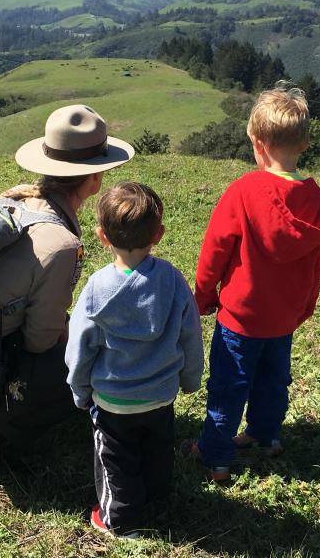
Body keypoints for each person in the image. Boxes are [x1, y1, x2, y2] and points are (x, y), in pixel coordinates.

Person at [0, 104, 135, 466]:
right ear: (94, 179)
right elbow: (40, 340)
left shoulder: (10, 203)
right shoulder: (61, 244)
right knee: (90, 362)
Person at [183, 84, 320, 482]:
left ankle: (216, 457)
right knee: (273, 379)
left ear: (257, 142)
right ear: (304, 142)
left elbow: (215, 251)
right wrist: (306, 304)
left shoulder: (243, 191)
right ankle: (266, 436)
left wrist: (203, 296)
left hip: (240, 318)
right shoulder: (314, 199)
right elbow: (315, 262)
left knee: (228, 386)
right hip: (284, 316)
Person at [65, 182, 204, 538]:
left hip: (113, 403)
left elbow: (80, 346)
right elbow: (191, 334)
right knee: (157, 448)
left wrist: (79, 390)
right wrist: (190, 379)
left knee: (115, 460)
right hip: (161, 394)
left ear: (101, 236)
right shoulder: (172, 281)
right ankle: (157, 493)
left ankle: (120, 521)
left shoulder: (96, 289)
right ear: (158, 234)